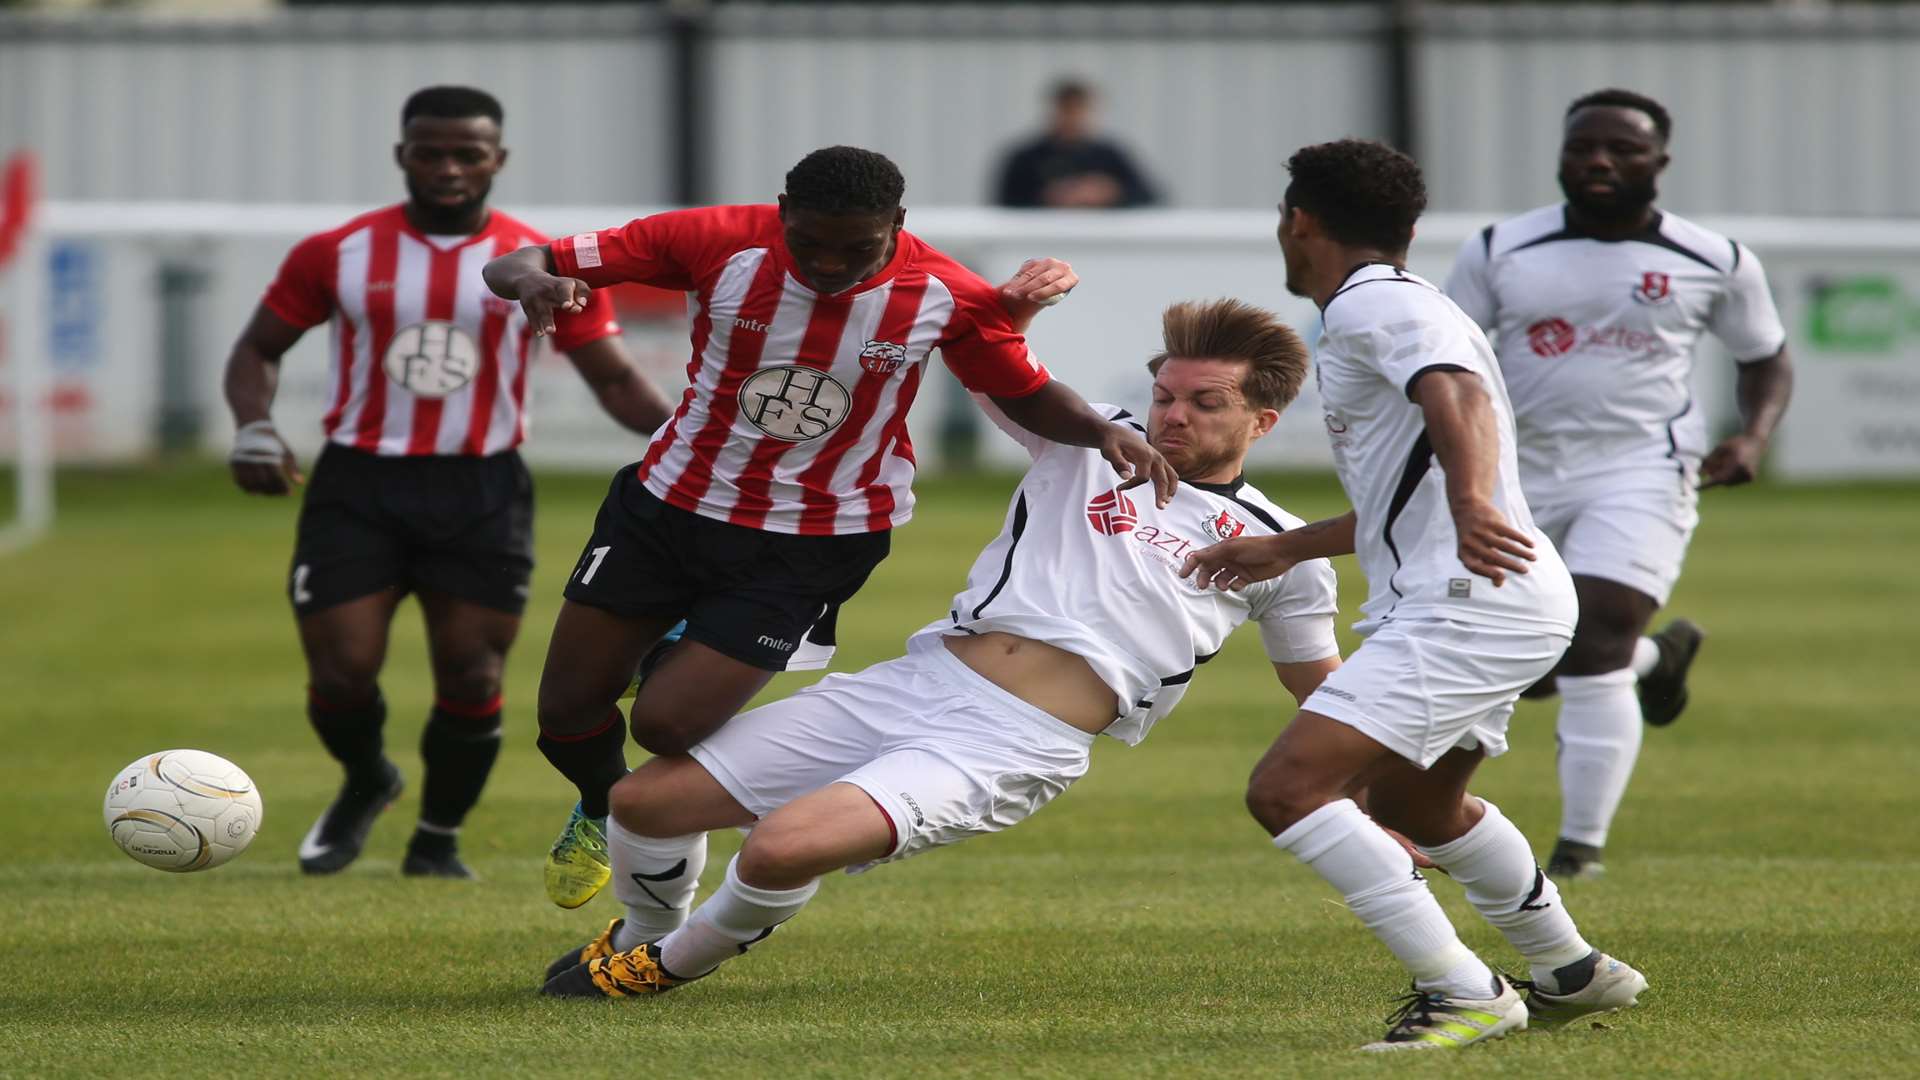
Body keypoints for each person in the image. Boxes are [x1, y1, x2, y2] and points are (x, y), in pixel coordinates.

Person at [532, 296, 1341, 999]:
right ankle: (641, 935)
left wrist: (1376, 804)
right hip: (921, 680)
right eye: (1166, 395)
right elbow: (991, 372)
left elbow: (1324, 696)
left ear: (1262, 422)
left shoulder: (1278, 546)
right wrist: (1015, 316)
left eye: (1206, 402)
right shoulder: (1094, 439)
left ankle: (670, 965)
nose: (1174, 415)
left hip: (1017, 742)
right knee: (643, 804)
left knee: (784, 847)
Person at [482, 145, 1177, 910]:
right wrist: (534, 281)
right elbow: (518, 259)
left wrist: (1101, 432)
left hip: (812, 541)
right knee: (566, 716)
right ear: (782, 213)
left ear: (898, 226)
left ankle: (681, 652)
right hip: (668, 507)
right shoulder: (714, 238)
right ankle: (600, 804)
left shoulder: (944, 292)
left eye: (857, 249)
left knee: (666, 726)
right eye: (808, 244)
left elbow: (1025, 390)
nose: (828, 265)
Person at [1181, 140, 1646, 1051]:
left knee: (1289, 789)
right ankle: (1571, 969)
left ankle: (1462, 992)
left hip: (1469, 600)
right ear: (1411, 230)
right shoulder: (1399, 300)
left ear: (1298, 223)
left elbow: (1458, 396)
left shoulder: (1372, 305)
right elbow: (1406, 486)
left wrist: (1473, 504)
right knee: (1419, 809)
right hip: (1492, 593)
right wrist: (1288, 547)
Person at [222, 86, 676, 879]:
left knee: (472, 671)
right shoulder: (338, 252)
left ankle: (438, 837)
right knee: (342, 668)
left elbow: (612, 381)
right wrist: (254, 425)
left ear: (498, 160)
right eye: (430, 151)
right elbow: (257, 348)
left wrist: (687, 444)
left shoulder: (540, 260)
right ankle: (368, 779)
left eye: (469, 153)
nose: (449, 167)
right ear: (402, 155)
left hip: (482, 488)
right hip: (359, 484)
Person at [1443, 88, 1794, 879]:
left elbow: (1764, 354)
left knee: (1595, 632)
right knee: (1526, 659)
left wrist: (1754, 435)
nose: (1598, 161)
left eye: (1622, 149)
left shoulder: (1716, 260)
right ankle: (1655, 662)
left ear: (1659, 163)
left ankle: (1578, 851)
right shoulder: (1500, 247)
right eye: (1582, 148)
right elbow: (1450, 357)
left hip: (1642, 464)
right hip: (1518, 470)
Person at [993, 79, 1159, 209]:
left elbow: (1149, 196)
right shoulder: (1026, 158)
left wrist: (1109, 192)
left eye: (1079, 110)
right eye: (1067, 110)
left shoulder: (1109, 155)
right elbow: (1005, 202)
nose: (1073, 118)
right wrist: (1047, 198)